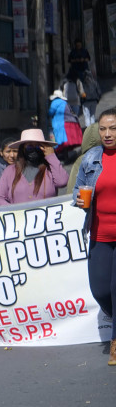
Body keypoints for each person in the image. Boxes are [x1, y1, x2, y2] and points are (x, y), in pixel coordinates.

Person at [73, 108, 116, 364]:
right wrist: (80, 200)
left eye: (113, 128)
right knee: (100, 290)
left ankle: (114, 343)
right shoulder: (91, 158)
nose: (107, 134)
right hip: (100, 234)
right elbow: (78, 190)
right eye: (103, 129)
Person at [0, 129, 69, 206]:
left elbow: (62, 182)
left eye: (38, 147)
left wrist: (51, 156)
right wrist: (15, 210)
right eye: (29, 147)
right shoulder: (10, 171)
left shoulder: (50, 169)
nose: (34, 150)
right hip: (19, 217)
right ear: (22, 148)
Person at [49, 89, 83, 159]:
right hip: (71, 122)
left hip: (60, 122)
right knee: (66, 140)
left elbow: (50, 112)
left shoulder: (55, 102)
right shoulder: (64, 102)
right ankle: (66, 155)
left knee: (61, 139)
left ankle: (62, 155)